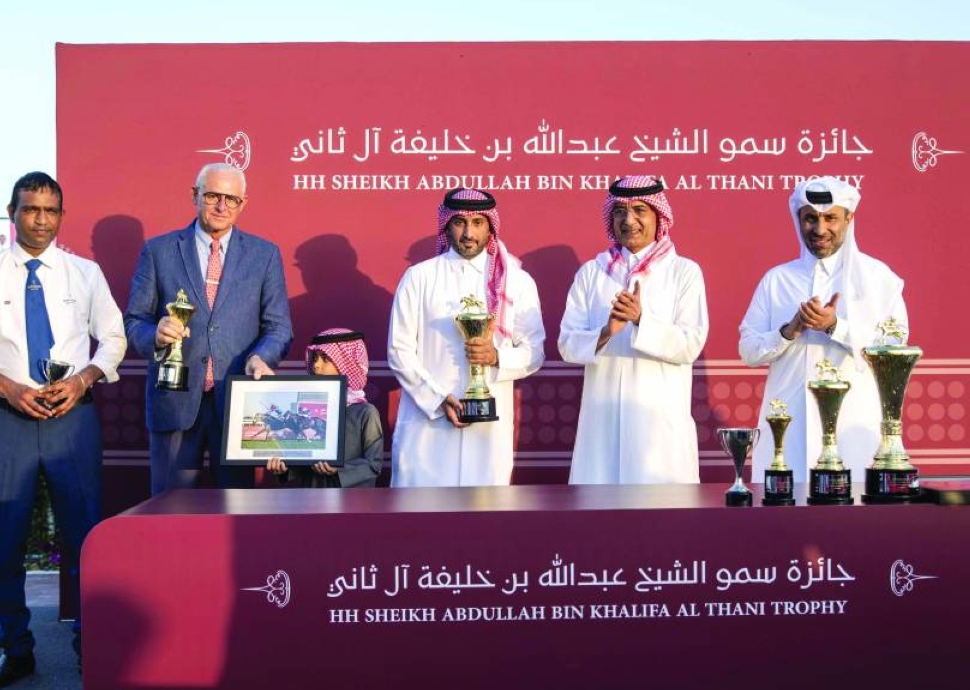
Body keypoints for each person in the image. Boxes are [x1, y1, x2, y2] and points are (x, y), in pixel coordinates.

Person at [0, 171, 126, 690]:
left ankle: (91, 647)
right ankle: (15, 649)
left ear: (61, 216)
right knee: (6, 541)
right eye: (30, 209)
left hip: (74, 418)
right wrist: (7, 386)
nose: (40, 220)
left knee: (86, 539)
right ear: (12, 212)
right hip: (9, 419)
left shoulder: (84, 274)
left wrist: (85, 378)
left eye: (50, 211)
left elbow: (112, 340)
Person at [125, 163, 292, 492]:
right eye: (213, 195)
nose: (221, 206)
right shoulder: (159, 251)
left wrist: (263, 357)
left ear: (242, 203)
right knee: (168, 513)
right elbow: (134, 321)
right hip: (174, 403)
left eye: (231, 199)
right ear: (195, 195)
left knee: (235, 517)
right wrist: (154, 335)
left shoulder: (264, 255)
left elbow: (279, 328)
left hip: (237, 406)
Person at [739, 177, 907, 478]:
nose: (819, 229)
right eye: (810, 219)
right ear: (798, 220)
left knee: (853, 517)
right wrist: (787, 331)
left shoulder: (878, 278)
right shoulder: (777, 280)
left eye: (831, 218)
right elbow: (749, 351)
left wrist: (835, 327)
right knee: (782, 519)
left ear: (849, 218)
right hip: (787, 425)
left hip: (854, 425)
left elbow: (895, 349)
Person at [387, 189, 545, 486]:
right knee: (420, 519)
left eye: (477, 223)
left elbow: (534, 351)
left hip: (488, 430)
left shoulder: (517, 281)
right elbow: (399, 350)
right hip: (428, 423)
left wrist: (498, 357)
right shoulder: (419, 277)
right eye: (460, 222)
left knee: (484, 522)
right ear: (447, 226)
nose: (469, 233)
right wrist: (436, 400)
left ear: (491, 227)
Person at [558, 176, 709, 484]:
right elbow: (567, 345)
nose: (629, 221)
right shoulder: (592, 272)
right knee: (598, 519)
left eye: (640, 210)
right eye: (619, 212)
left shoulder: (683, 272)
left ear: (659, 216)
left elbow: (690, 344)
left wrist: (642, 320)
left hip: (659, 426)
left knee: (664, 520)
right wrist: (605, 332)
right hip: (602, 426)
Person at [266, 329, 384, 487]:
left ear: (346, 363)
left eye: (325, 358)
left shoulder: (366, 413)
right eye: (314, 358)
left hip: (351, 504)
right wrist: (284, 468)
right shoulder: (310, 412)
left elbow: (373, 465)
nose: (316, 365)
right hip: (311, 501)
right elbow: (304, 454)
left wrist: (339, 470)